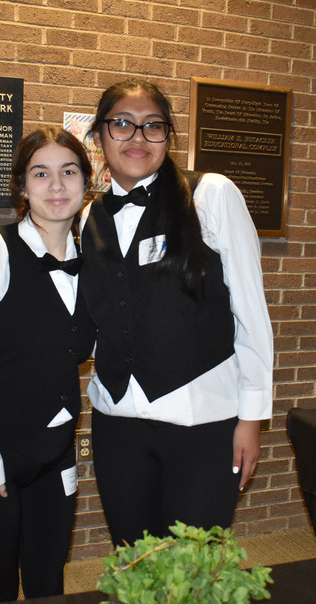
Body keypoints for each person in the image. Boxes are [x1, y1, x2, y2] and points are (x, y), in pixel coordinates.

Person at [80, 79, 274, 548]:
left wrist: (251, 418)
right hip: (117, 420)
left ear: (169, 136)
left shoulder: (211, 195)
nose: (137, 138)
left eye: (153, 127)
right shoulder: (89, 216)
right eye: (122, 124)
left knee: (193, 568)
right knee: (134, 562)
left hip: (203, 423)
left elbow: (251, 309)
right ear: (100, 136)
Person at [0, 127, 95, 604]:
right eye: (40, 174)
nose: (56, 186)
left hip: (55, 457)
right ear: (22, 188)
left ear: (86, 183)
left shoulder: (94, 262)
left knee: (50, 589)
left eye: (68, 172)